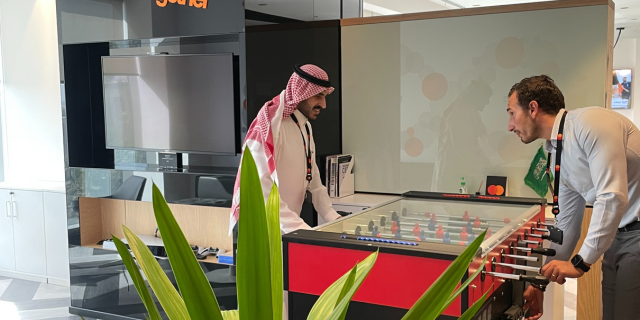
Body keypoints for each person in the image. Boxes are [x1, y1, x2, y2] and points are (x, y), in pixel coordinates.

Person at [506, 75, 640, 320]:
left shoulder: (592, 122)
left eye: (512, 113)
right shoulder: (558, 152)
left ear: (533, 108)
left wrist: (579, 263)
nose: (510, 125)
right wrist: (539, 283)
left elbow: (612, 195)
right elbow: (566, 225)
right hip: (618, 237)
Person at [229, 64, 341, 234]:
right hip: (262, 232)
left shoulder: (305, 127)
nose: (323, 104)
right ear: (301, 93)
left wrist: (331, 215)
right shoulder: (270, 125)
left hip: (287, 230)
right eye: (318, 96)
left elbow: (312, 176)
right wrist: (298, 228)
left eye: (324, 96)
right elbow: (260, 185)